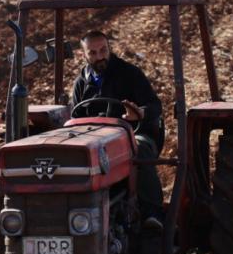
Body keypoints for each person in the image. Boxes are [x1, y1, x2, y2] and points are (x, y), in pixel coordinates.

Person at [70, 30, 165, 227]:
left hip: (134, 132)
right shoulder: (81, 83)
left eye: (103, 50)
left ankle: (151, 214)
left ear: (109, 48)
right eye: (93, 53)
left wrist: (139, 112)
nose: (99, 56)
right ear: (85, 55)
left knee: (139, 148)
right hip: (96, 139)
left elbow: (155, 106)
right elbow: (76, 116)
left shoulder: (130, 73)